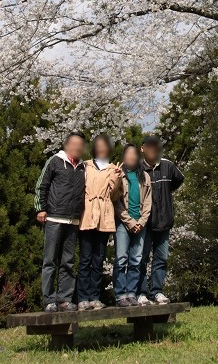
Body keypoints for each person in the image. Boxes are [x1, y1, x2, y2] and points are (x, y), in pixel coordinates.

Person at [34, 131, 86, 312]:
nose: (78, 147)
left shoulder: (82, 167)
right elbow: (42, 185)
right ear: (67, 144)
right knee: (50, 260)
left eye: (81, 144)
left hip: (72, 221)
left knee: (68, 262)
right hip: (54, 217)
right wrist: (40, 208)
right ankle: (49, 299)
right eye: (75, 143)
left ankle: (64, 299)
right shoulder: (55, 161)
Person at [77, 133, 122, 311]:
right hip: (87, 215)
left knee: (98, 259)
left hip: (104, 215)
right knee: (85, 258)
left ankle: (95, 296)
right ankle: (82, 298)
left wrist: (118, 178)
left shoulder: (113, 168)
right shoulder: (85, 166)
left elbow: (114, 196)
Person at [137, 135, 184, 305]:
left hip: (164, 221)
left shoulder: (168, 166)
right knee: (141, 259)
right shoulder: (137, 168)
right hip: (145, 223)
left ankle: (157, 291)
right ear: (142, 148)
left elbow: (179, 180)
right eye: (149, 146)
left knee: (161, 258)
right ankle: (141, 293)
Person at [113, 143, 152, 307]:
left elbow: (148, 202)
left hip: (140, 224)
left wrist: (141, 222)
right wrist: (129, 222)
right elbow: (115, 200)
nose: (132, 157)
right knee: (121, 259)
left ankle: (131, 293)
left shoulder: (144, 176)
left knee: (136, 260)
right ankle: (120, 295)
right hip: (123, 224)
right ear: (124, 156)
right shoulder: (119, 174)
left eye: (134, 154)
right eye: (128, 154)